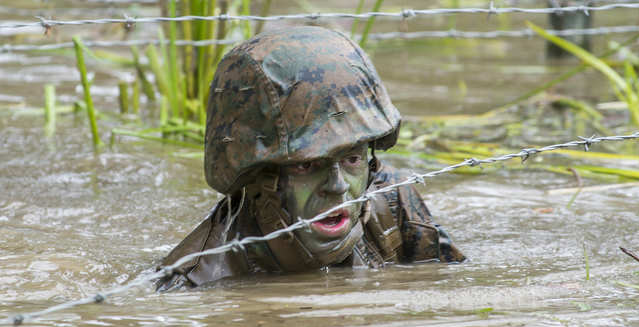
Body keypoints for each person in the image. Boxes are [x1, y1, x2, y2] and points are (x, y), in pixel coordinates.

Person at [156, 26, 464, 291]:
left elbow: (452, 285)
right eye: (307, 165)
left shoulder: (391, 199)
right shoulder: (199, 277)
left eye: (352, 159)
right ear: (258, 177)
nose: (338, 186)